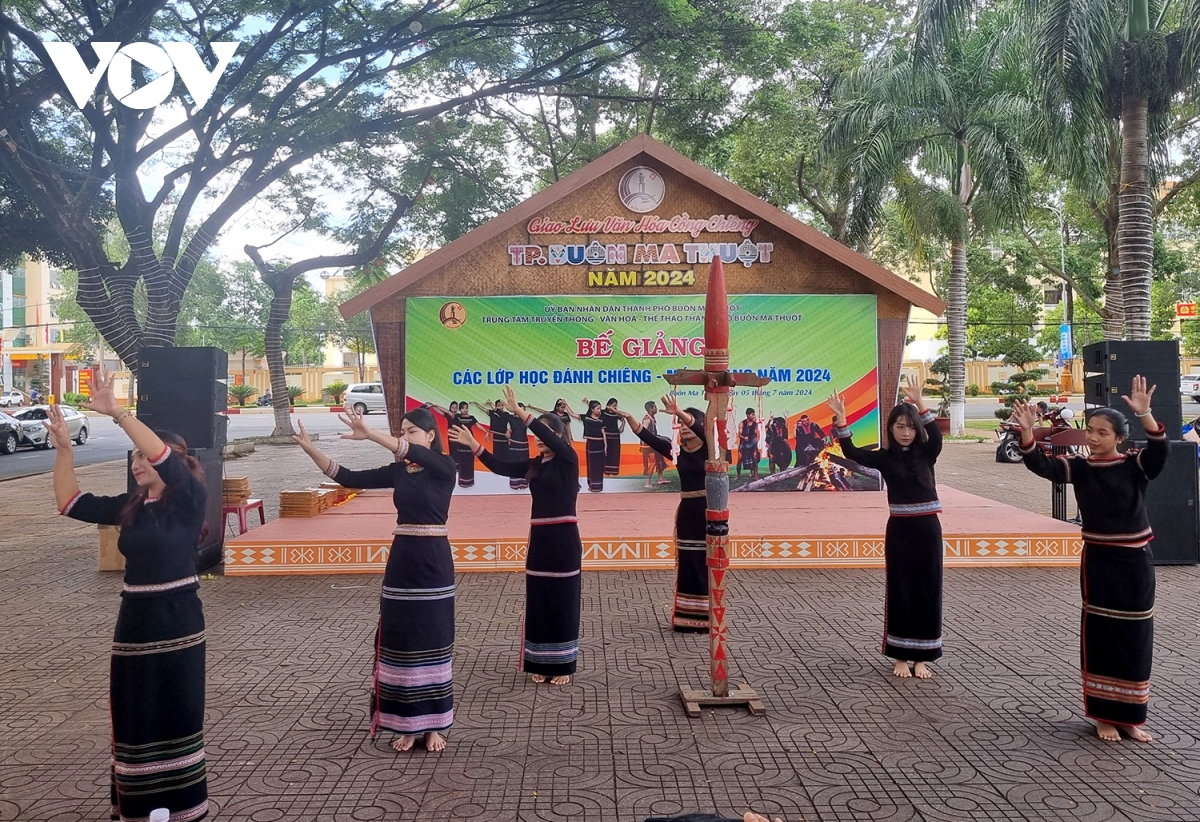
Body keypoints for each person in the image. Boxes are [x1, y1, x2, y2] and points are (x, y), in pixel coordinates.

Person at [52, 372, 210, 821]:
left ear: (172, 461)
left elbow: (162, 455)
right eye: (135, 457)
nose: (139, 463)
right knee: (134, 714)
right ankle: (140, 807)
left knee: (177, 712)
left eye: (146, 457)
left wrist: (119, 412)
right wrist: (65, 450)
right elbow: (69, 502)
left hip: (179, 622)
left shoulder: (190, 497)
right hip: (134, 625)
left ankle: (180, 806)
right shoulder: (131, 505)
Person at [1014, 376, 1167, 743]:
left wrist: (1145, 414)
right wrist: (1027, 432)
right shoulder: (1079, 468)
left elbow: (1161, 453)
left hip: (1135, 563)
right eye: (1090, 431)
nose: (1093, 438)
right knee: (1100, 635)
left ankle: (1130, 716)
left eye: (1102, 433)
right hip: (1098, 561)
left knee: (1135, 634)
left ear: (1119, 438)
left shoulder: (1135, 465)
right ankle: (1102, 715)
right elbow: (1041, 466)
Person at [294, 408, 456, 752]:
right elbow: (349, 477)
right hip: (402, 560)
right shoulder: (400, 471)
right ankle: (406, 725)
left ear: (430, 435)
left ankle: (433, 726)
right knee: (401, 639)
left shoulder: (445, 468)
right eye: (402, 431)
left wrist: (371, 435)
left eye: (412, 431)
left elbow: (408, 451)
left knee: (433, 636)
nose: (406, 437)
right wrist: (311, 449)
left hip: (434, 561)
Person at [449, 385, 582, 685]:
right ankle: (539, 661)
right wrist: (474, 444)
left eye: (545, 432)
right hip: (539, 541)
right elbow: (501, 466)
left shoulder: (568, 459)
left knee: (563, 600)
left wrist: (520, 412)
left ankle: (562, 666)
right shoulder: (535, 465)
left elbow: (549, 436)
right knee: (538, 599)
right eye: (537, 432)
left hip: (564, 541)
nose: (538, 437)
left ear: (558, 436)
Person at [828, 374, 943, 679]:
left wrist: (920, 402)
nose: (905, 432)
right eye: (899, 426)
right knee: (901, 589)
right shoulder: (885, 458)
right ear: (891, 429)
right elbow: (852, 453)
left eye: (910, 426)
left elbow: (937, 435)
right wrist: (841, 419)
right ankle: (901, 656)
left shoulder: (926, 453)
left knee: (928, 590)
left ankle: (923, 658)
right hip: (900, 532)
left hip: (929, 529)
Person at [617, 396, 710, 632]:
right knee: (688, 562)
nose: (686, 430)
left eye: (689, 425)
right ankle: (687, 618)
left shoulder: (711, 448)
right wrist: (629, 418)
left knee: (706, 562)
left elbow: (703, 429)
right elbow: (648, 438)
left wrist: (678, 411)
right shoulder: (677, 451)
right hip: (688, 513)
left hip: (709, 512)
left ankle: (709, 616)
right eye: (682, 426)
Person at [639, 400, 668, 488]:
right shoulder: (647, 420)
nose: (656, 408)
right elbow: (642, 432)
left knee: (659, 459)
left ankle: (660, 479)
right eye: (655, 407)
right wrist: (643, 445)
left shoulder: (652, 418)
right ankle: (647, 482)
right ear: (651, 409)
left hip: (653, 443)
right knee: (653, 462)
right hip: (649, 445)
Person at [580, 399, 605, 492]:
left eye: (600, 408)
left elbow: (603, 432)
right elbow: (572, 414)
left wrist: (606, 445)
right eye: (598, 408)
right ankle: (591, 485)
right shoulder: (586, 418)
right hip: (591, 443)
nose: (599, 410)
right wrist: (566, 405)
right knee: (592, 465)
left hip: (600, 443)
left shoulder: (602, 419)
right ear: (592, 409)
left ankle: (599, 486)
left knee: (599, 465)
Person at [507, 402, 531, 490]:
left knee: (524, 463)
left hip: (524, 446)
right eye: (519, 409)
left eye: (522, 409)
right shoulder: (511, 418)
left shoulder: (526, 420)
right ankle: (514, 484)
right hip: (514, 445)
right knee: (514, 463)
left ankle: (523, 484)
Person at [601, 397, 626, 477]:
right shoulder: (603, 412)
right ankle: (606, 471)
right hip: (606, 436)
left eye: (615, 406)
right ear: (608, 405)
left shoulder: (616, 414)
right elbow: (593, 410)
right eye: (613, 405)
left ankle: (614, 471)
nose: (615, 407)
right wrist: (587, 401)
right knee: (606, 453)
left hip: (615, 436)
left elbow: (623, 419)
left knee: (615, 454)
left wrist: (622, 426)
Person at [737, 408, 760, 480]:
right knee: (740, 459)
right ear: (748, 415)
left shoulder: (755, 424)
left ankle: (756, 475)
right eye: (752, 414)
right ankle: (738, 475)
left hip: (752, 444)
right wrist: (744, 438)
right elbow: (739, 434)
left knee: (755, 459)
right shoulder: (742, 423)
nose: (753, 416)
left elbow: (756, 433)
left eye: (754, 414)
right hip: (744, 443)